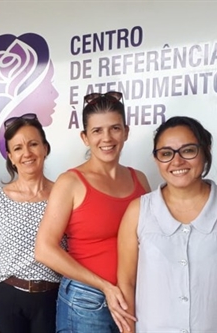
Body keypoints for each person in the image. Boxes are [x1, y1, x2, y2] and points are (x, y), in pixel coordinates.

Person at [117, 116, 217, 332]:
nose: (177, 162)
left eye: (188, 150)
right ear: (156, 160)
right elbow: (126, 283)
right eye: (166, 154)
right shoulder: (138, 211)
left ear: (206, 150)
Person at [35, 91, 150, 333]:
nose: (106, 138)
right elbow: (44, 249)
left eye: (114, 128)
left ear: (126, 131)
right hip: (86, 301)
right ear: (85, 137)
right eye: (97, 130)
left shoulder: (139, 179)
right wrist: (105, 287)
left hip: (134, 296)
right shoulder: (71, 182)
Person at [0, 113, 60, 333]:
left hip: (51, 301)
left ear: (45, 148)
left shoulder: (63, 194)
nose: (27, 153)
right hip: (7, 298)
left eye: (33, 144)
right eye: (17, 148)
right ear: (10, 156)